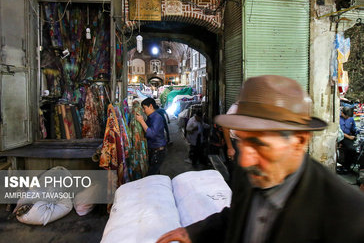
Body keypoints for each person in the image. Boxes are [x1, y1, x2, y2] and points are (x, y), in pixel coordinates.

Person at [156, 75, 364, 243]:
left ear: (299, 141)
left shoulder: (349, 218)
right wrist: (196, 232)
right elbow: (239, 216)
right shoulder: (254, 173)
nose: (245, 160)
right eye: (243, 140)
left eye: (260, 145)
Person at [136, 97, 167, 175]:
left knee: (151, 175)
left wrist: (142, 121)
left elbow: (151, 134)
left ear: (151, 106)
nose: (143, 111)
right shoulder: (150, 117)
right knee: (155, 174)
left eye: (144, 108)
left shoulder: (157, 118)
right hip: (153, 150)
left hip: (158, 151)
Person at [339, 106, 359, 171]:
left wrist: (356, 132)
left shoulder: (351, 118)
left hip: (350, 136)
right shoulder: (338, 119)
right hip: (342, 136)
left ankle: (352, 164)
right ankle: (346, 166)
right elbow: (339, 131)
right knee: (351, 148)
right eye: (346, 116)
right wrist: (349, 137)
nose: (348, 118)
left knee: (357, 148)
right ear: (342, 113)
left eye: (349, 117)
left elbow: (354, 128)